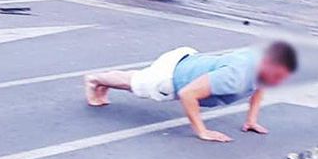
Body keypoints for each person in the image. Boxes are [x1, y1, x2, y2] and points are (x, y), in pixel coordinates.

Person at [83, 41, 298, 142]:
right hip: (171, 77)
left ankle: (103, 81)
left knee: (136, 79)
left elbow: (260, 87)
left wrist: (251, 120)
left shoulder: (262, 63)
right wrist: (202, 132)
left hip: (187, 62)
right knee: (139, 84)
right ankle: (94, 79)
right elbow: (188, 94)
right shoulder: (237, 76)